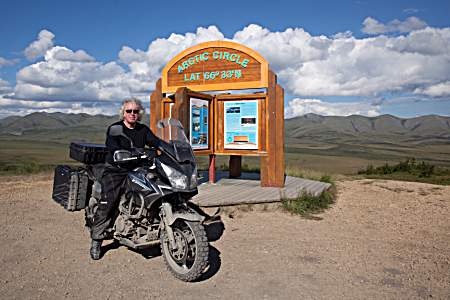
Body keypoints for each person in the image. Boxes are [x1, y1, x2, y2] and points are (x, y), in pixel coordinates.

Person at [90, 98, 160, 260]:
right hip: (116, 169)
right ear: (123, 113)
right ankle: (97, 239)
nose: (132, 114)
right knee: (109, 201)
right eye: (129, 111)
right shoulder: (115, 129)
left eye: (136, 111)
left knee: (156, 189)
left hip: (138, 168)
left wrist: (168, 149)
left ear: (140, 113)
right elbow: (113, 148)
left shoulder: (143, 129)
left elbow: (156, 142)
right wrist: (126, 154)